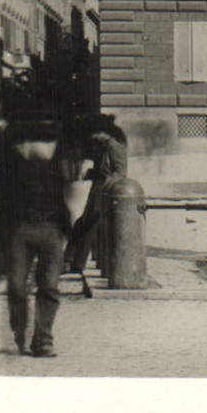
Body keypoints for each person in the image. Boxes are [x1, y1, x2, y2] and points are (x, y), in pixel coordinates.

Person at [0, 114, 75, 357]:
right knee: (18, 287)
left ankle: (43, 340)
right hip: (21, 228)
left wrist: (66, 229)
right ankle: (20, 330)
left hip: (52, 228)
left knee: (49, 287)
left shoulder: (58, 160)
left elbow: (70, 191)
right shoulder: (11, 163)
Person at [64, 114, 128, 295]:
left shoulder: (116, 148)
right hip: (97, 189)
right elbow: (102, 170)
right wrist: (91, 173)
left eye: (96, 133)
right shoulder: (103, 147)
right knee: (83, 223)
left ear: (105, 132)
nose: (93, 136)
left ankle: (76, 263)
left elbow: (120, 173)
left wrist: (105, 186)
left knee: (91, 226)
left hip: (105, 192)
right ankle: (70, 260)